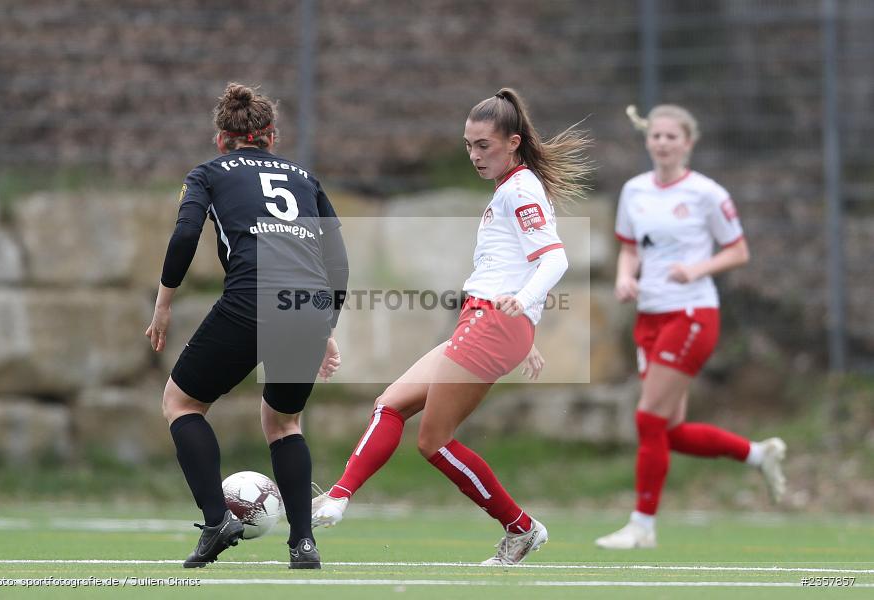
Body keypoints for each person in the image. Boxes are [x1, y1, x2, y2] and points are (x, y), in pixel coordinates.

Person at [310, 88, 590, 565]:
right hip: (485, 322)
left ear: (513, 142)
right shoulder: (509, 189)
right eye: (468, 145)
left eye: (484, 145)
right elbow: (516, 265)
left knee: (433, 441)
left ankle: (521, 529)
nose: (475, 155)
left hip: (491, 324)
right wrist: (526, 325)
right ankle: (338, 496)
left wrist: (522, 307)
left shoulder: (520, 188)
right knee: (390, 404)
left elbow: (555, 259)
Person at [145, 82, 348, 569]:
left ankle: (217, 522)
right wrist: (326, 324)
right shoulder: (304, 177)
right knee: (283, 423)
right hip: (310, 304)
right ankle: (303, 544)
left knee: (181, 402)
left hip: (253, 299)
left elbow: (186, 234)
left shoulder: (208, 173)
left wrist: (164, 304)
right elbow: (337, 261)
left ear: (221, 139)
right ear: (271, 136)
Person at [594, 104, 786, 550]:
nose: (662, 143)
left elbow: (738, 251)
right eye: (655, 136)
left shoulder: (707, 193)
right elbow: (629, 249)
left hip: (692, 314)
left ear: (688, 143)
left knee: (647, 417)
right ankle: (759, 454)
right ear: (648, 141)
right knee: (669, 431)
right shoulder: (634, 191)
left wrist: (697, 269)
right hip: (650, 317)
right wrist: (626, 277)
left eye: (671, 136)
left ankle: (642, 526)